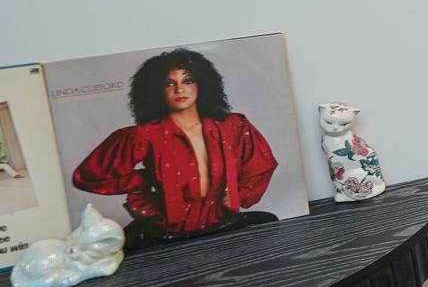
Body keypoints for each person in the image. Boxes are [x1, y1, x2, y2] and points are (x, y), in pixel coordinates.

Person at [72, 49, 280, 251]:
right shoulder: (144, 135)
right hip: (166, 234)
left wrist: (239, 194)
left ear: (203, 84)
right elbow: (89, 176)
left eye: (187, 81)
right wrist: (147, 180)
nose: (180, 90)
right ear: (156, 90)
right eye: (169, 83)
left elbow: (261, 164)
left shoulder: (233, 126)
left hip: (223, 225)